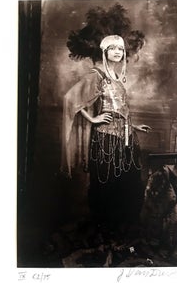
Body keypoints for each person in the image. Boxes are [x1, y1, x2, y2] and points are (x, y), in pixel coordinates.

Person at [62, 34, 151, 240]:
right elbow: (70, 99)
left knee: (129, 185)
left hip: (127, 139)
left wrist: (134, 126)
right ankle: (105, 232)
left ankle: (121, 234)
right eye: (113, 49)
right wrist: (93, 119)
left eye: (120, 49)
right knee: (105, 186)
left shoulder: (117, 78)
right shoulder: (96, 75)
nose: (118, 52)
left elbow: (121, 110)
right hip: (106, 140)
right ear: (104, 52)